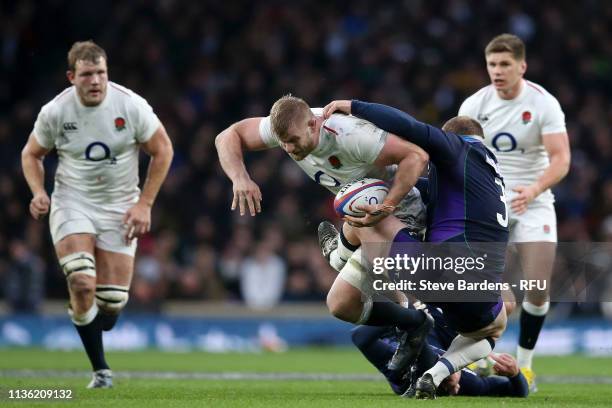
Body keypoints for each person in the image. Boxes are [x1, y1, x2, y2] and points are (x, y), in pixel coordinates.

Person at [215, 95, 434, 355]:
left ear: (313, 125)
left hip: (402, 216)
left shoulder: (350, 134)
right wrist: (240, 177)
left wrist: (388, 205)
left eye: (293, 140)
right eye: (282, 142)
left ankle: (343, 255)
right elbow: (227, 136)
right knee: (341, 305)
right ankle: (414, 323)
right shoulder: (288, 126)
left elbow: (417, 156)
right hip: (364, 219)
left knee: (413, 290)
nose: (288, 148)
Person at [322, 99, 509, 399]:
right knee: (493, 330)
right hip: (481, 291)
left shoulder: (458, 147)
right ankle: (434, 374)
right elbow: (423, 196)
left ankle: (338, 256)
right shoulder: (489, 177)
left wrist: (353, 106)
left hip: (439, 270)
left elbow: (407, 125)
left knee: (365, 217)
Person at [21, 41, 173, 388]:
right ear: (72, 77)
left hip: (121, 207)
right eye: (87, 74)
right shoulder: (55, 111)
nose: (96, 81)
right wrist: (39, 192)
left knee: (110, 306)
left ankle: (83, 310)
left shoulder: (130, 105)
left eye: (101, 73)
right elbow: (31, 154)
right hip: (72, 201)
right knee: (81, 279)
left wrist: (144, 203)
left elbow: (163, 149)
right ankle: (101, 371)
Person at [458, 33, 571, 389]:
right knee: (481, 289)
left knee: (537, 288)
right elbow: (459, 156)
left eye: (505, 64)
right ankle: (474, 359)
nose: (497, 71)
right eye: (492, 64)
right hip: (490, 201)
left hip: (534, 199)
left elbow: (561, 159)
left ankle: (525, 366)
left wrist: (535, 188)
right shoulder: (474, 105)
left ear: (522, 66)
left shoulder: (543, 104)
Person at [351, 301, 528, 398]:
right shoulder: (465, 380)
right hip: (455, 312)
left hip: (417, 311)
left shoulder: (397, 363)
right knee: (507, 302)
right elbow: (516, 392)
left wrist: (405, 317)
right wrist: (515, 374)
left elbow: (360, 337)